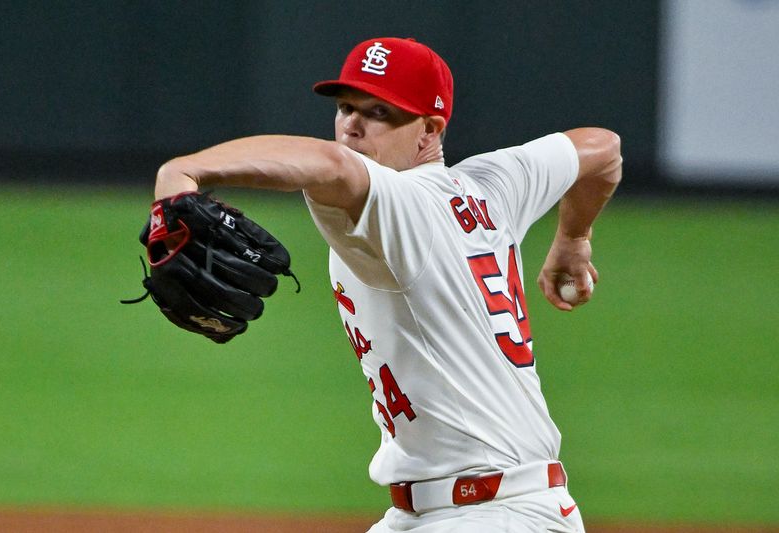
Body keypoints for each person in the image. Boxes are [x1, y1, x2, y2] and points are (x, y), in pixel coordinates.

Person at [154, 37, 621, 533]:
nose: (352, 123)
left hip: (492, 514)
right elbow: (602, 147)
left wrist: (183, 171)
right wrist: (574, 237)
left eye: (379, 112)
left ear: (429, 130)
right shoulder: (492, 185)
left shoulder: (403, 203)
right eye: (345, 106)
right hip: (460, 511)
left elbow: (329, 165)